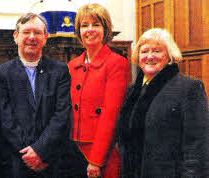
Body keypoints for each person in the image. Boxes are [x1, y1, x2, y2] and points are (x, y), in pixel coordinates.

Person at [117, 28, 209, 178]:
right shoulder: (132, 91)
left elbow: (197, 146)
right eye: (145, 51)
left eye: (157, 51)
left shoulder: (189, 88)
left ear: (169, 55)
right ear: (138, 56)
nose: (150, 56)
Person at [0, 13, 72, 178]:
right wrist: (29, 154)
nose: (31, 37)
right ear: (16, 36)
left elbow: (62, 114)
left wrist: (41, 150)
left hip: (52, 159)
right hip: (17, 160)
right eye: (26, 32)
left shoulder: (60, 71)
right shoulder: (1, 74)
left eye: (37, 33)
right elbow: (6, 119)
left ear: (45, 37)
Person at [68, 4, 130, 178]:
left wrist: (96, 160)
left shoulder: (117, 63)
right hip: (73, 149)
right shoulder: (72, 66)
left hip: (102, 153)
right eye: (84, 25)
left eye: (96, 25)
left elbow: (111, 114)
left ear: (106, 29)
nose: (90, 30)